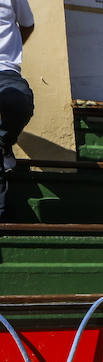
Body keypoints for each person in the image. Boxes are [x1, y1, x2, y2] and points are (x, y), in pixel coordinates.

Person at [0, 0, 34, 220]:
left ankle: (4, 143)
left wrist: (12, 53)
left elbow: (28, 24)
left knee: (20, 101)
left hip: (5, 69)